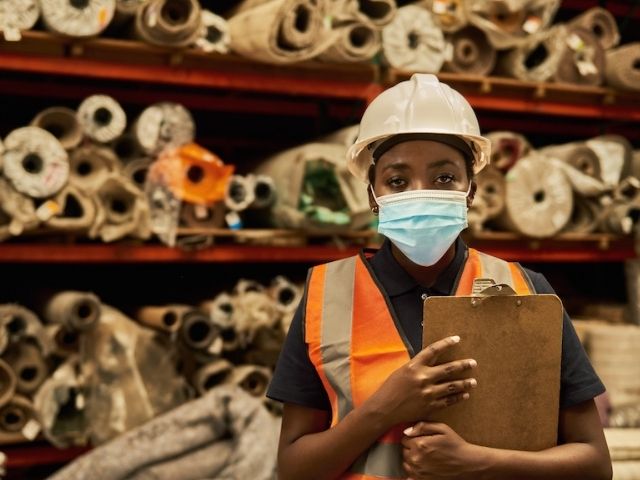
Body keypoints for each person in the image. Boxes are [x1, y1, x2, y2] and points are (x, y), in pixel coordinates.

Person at [266, 74, 612, 480]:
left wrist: (477, 463)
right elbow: (293, 469)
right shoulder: (328, 296)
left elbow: (594, 464)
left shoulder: (527, 291)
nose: (421, 191)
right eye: (397, 180)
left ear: (472, 190)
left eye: (444, 177)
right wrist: (383, 410)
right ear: (372, 197)